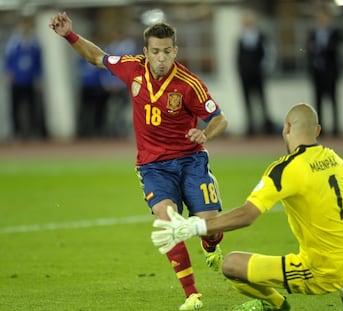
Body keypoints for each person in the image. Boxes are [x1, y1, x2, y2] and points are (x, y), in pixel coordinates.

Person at [152, 103, 343, 311]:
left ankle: (275, 304)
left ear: (286, 127)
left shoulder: (285, 169)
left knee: (231, 265)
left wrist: (195, 226)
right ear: (318, 130)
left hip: (317, 271)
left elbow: (247, 215)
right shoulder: (334, 159)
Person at [49, 12, 228, 311]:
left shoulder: (188, 83)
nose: (161, 58)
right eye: (155, 52)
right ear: (146, 52)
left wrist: (205, 133)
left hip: (190, 161)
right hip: (153, 166)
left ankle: (211, 243)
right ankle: (192, 294)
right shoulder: (132, 68)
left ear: (175, 51)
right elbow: (97, 57)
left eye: (167, 52)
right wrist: (70, 34)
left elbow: (219, 118)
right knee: (166, 221)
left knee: (209, 228)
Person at [4, 15, 45, 140]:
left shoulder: (35, 44)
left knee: (32, 106)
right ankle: (17, 132)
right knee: (15, 107)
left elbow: (39, 63)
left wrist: (39, 78)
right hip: (16, 80)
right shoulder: (13, 43)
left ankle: (33, 131)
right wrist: (8, 73)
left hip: (30, 80)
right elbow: (8, 60)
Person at [236, 9, 276, 136]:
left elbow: (269, 55)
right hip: (245, 74)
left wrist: (264, 70)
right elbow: (238, 58)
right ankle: (251, 127)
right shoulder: (241, 38)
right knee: (247, 101)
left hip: (258, 74)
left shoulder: (261, 36)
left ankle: (265, 126)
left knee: (262, 100)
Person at [306, 6, 341, 136]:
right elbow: (308, 52)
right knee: (318, 102)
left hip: (330, 72)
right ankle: (320, 129)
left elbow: (334, 50)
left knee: (333, 100)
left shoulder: (334, 33)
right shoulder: (313, 33)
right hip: (317, 72)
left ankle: (336, 128)